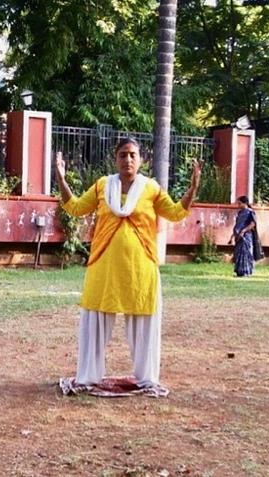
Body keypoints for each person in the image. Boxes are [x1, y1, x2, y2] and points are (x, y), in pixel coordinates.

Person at [55, 138, 202, 388]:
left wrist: (193, 189)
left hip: (140, 267)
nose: (128, 160)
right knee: (95, 318)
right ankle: (89, 375)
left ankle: (146, 377)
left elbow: (176, 212)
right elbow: (76, 208)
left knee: (143, 320)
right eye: (123, 155)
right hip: (104, 265)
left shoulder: (151, 188)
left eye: (133, 155)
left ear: (141, 159)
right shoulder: (103, 186)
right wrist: (60, 177)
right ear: (116, 159)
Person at [231, 195, 257, 277]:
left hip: (246, 236)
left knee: (246, 253)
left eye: (239, 203)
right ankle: (239, 272)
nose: (238, 205)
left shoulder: (250, 212)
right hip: (238, 236)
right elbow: (237, 225)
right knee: (238, 253)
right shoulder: (240, 213)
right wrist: (232, 235)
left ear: (245, 203)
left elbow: (253, 224)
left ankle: (246, 271)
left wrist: (244, 231)